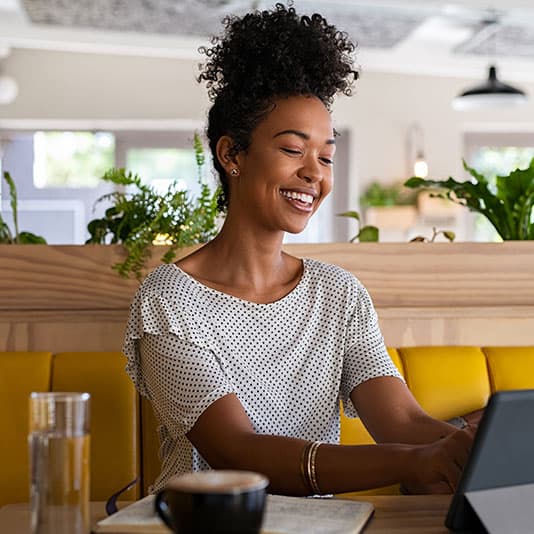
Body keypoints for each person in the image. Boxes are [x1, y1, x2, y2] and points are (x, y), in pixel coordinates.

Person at [124, 3, 473, 497]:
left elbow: (403, 423)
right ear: (232, 155)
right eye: (293, 150)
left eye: (326, 155)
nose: (315, 173)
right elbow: (237, 452)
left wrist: (475, 447)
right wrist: (415, 462)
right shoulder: (170, 302)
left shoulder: (339, 294)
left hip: (323, 528)